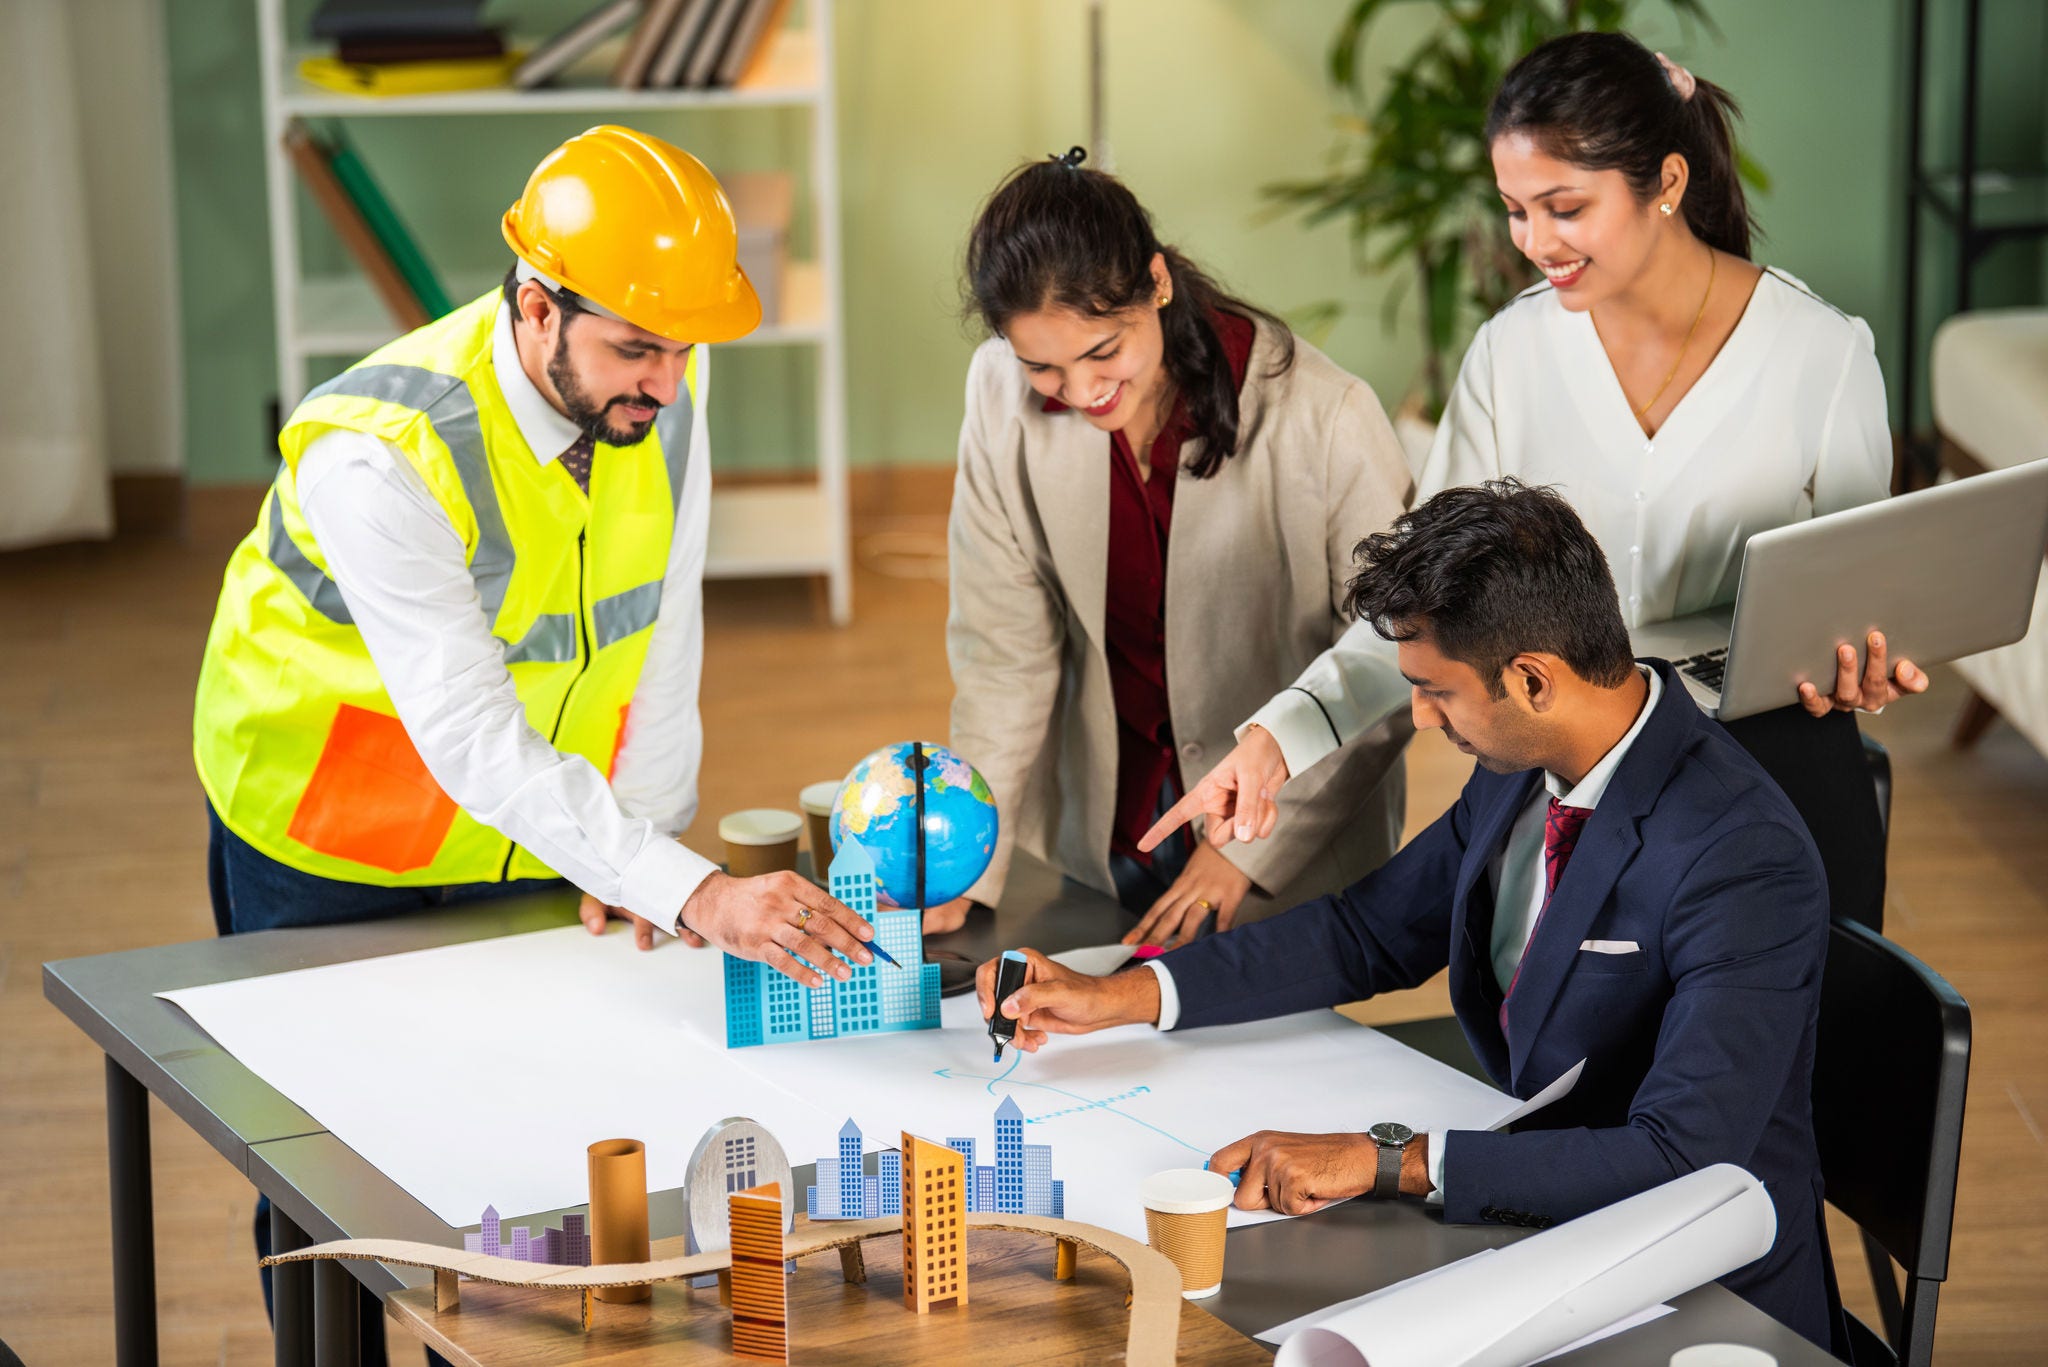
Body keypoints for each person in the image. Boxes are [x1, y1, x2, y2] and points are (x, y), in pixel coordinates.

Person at [191, 126, 877, 1364]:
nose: (666, 383)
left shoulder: (655, 385)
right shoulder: (380, 456)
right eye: (634, 348)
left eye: (681, 350)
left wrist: (649, 859)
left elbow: (664, 627)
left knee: (520, 1135)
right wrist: (694, 888)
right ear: (534, 305)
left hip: (530, 837)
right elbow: (466, 731)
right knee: (335, 1169)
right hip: (329, 843)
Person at [980, 480, 1839, 1348]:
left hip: (1699, 1293)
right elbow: (1369, 932)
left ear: (1533, 678)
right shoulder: (1516, 764)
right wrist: (1122, 994)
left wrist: (1389, 1156)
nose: (1421, 719)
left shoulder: (1742, 854)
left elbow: (1682, 1156)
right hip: (1531, 1231)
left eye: (1436, 692)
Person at [1147, 33, 1923, 932]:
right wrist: (1279, 737)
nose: (1534, 243)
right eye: (1516, 210)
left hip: (1764, 779)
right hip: (1565, 768)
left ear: (1666, 183)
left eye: (1564, 208)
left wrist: (1861, 661)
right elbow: (1423, 604)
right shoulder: (1511, 355)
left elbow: (1864, 602)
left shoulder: (1823, 354)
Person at [938, 148, 1412, 947]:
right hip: (1112, 822)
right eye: (1043, 368)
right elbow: (1004, 654)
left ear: (1156, 283)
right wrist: (965, 864)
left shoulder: (1326, 415)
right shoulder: (998, 395)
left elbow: (1390, 649)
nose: (1083, 393)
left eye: (1102, 352)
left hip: (1289, 835)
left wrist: (1246, 852)